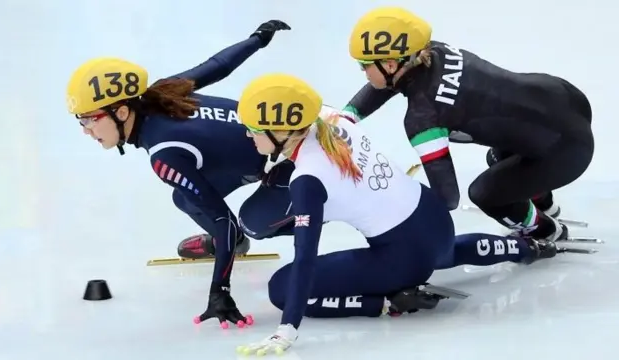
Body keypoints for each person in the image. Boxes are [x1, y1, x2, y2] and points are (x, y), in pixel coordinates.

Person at [233, 73, 559, 356]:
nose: (248, 135)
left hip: (404, 258)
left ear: (282, 132)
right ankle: (526, 248)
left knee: (281, 287)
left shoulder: (306, 180)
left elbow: (305, 258)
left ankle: (387, 303)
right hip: (433, 218)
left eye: (253, 128)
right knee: (447, 252)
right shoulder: (330, 117)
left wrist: (286, 329)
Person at [65, 20, 296, 328]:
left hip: (293, 159)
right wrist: (257, 39)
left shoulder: (164, 154)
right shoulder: (160, 93)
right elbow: (216, 66)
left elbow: (222, 219)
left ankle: (319, 214)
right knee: (185, 198)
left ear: (121, 112)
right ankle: (232, 243)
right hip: (272, 146)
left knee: (253, 222)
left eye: (89, 120)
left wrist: (220, 291)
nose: (86, 130)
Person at [342, 7, 594, 243]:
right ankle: (545, 203)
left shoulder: (423, 118)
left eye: (364, 65)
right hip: (565, 99)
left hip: (566, 151)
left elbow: (448, 197)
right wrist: (346, 117)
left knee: (486, 194)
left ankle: (546, 230)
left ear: (389, 64)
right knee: (501, 155)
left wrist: (393, 198)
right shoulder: (432, 51)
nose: (363, 72)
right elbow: (392, 81)